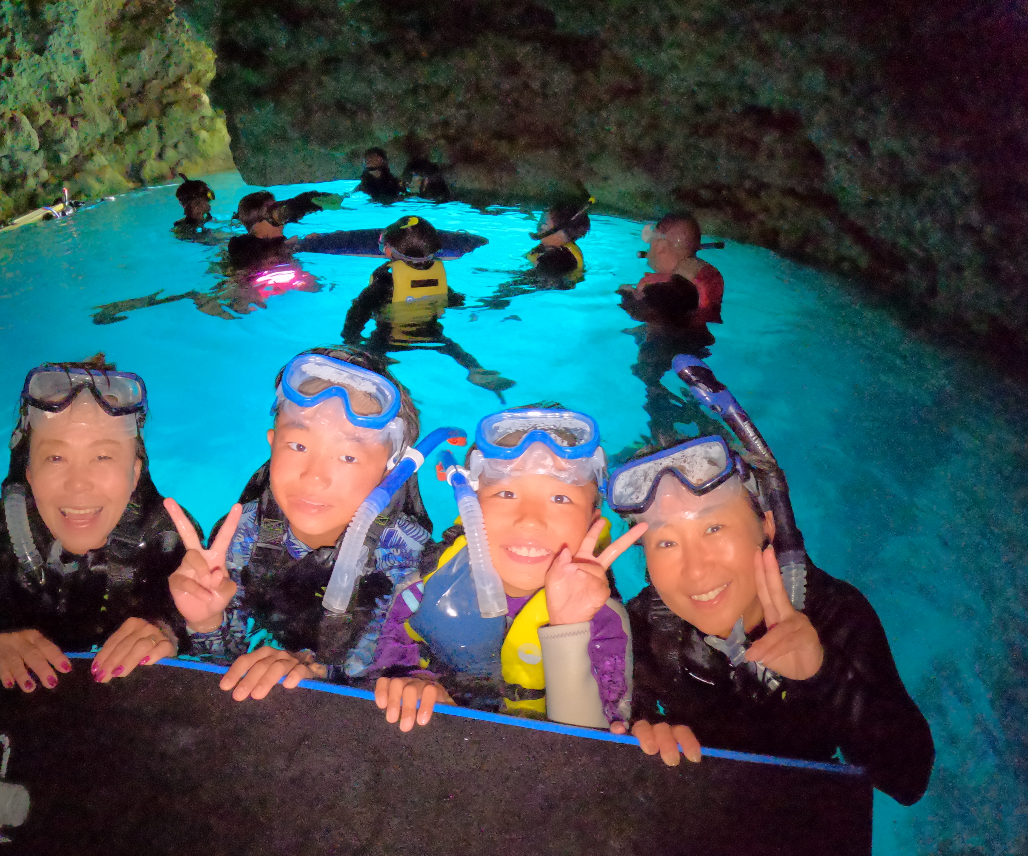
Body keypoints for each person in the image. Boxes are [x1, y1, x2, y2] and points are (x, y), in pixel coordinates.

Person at [605, 422, 934, 805]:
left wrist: (824, 674)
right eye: (666, 542)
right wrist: (645, 737)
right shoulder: (645, 627)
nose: (695, 571)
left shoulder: (831, 614)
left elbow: (909, 781)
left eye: (713, 527)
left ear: (767, 524)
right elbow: (624, 721)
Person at [0, 356, 199, 691]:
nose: (78, 484)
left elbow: (208, 638)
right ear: (29, 472)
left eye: (102, 456)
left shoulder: (167, 538)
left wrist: (167, 632)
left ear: (134, 473)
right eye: (56, 457)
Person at [167, 348, 434, 701]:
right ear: (272, 443)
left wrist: (315, 673)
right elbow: (219, 670)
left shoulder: (408, 559)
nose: (314, 477)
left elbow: (389, 678)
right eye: (298, 445)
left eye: (348, 456)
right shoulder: (242, 534)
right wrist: (204, 621)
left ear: (390, 474)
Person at [371, 406, 645, 731]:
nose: (530, 520)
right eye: (507, 493)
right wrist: (414, 683)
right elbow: (386, 656)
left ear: (592, 519)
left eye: (560, 499)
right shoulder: (427, 585)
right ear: (471, 505)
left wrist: (569, 628)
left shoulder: (602, 620)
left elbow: (598, 741)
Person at [342, 215, 515, 400]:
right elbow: (454, 300)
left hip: (389, 337)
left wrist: (351, 337)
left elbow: (359, 311)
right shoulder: (436, 276)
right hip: (431, 333)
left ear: (390, 250)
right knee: (453, 348)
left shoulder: (384, 281)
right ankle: (476, 369)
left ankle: (394, 389)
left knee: (367, 358)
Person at [620, 212, 724, 329]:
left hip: (663, 336)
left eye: (651, 243)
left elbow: (639, 314)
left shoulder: (653, 284)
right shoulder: (712, 275)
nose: (649, 249)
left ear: (661, 247)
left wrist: (626, 293)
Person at [226, 189, 335, 272]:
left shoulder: (282, 244)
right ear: (256, 225)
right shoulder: (242, 251)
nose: (282, 222)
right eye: (273, 215)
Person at [527, 203, 591, 281]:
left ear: (561, 234)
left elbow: (543, 281)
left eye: (544, 225)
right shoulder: (551, 246)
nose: (538, 228)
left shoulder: (561, 258)